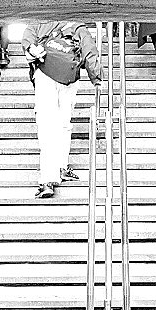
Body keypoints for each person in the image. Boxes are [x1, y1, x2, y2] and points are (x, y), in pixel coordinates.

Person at [22, 21, 102, 199]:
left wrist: (30, 48)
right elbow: (89, 50)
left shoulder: (39, 20)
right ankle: (62, 167)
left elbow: (27, 36)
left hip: (45, 72)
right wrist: (96, 78)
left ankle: (47, 180)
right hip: (69, 78)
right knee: (65, 123)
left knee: (46, 124)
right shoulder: (78, 26)